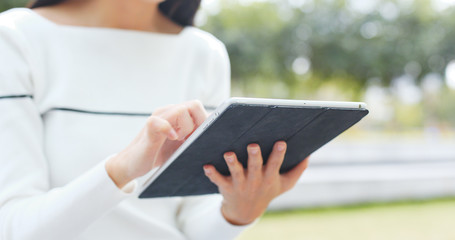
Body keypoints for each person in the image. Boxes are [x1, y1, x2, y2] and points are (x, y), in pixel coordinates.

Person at [0, 0, 309, 239]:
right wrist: (122, 170)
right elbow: (14, 228)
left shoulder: (205, 54)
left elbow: (194, 223)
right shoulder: (15, 39)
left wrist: (239, 212)